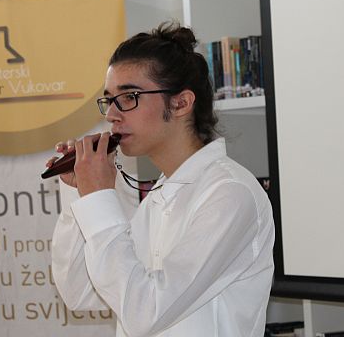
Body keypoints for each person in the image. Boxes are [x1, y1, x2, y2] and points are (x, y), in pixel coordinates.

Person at [50, 21, 275, 337]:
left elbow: (146, 311)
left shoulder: (229, 194)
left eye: (129, 97)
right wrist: (82, 193)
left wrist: (99, 199)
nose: (112, 115)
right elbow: (79, 293)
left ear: (181, 103)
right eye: (109, 100)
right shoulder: (159, 195)